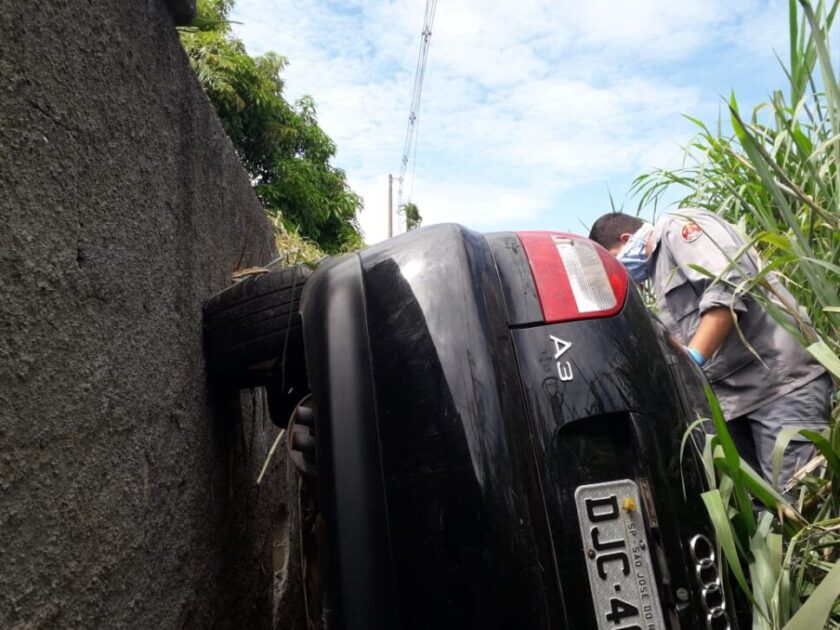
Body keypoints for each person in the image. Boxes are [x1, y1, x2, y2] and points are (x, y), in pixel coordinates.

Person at [589, 209, 832, 490]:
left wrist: (692, 360)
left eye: (613, 263)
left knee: (798, 503)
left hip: (779, 386)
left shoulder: (676, 228)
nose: (620, 273)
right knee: (768, 514)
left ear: (626, 238)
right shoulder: (659, 274)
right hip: (736, 402)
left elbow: (727, 287)